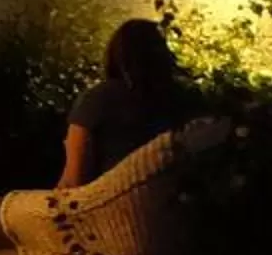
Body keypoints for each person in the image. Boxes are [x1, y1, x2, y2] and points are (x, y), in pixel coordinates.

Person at [57, 17, 185, 189]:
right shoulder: (183, 99)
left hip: (109, 207)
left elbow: (74, 180)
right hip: (175, 204)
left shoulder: (97, 100)